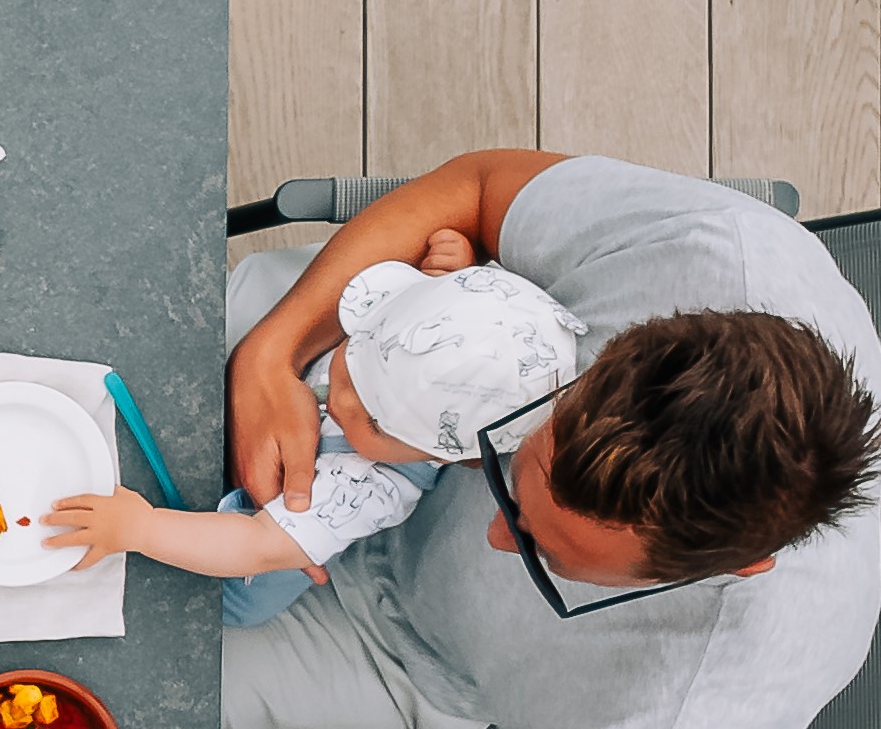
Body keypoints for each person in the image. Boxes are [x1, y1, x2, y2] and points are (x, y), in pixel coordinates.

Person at [17, 152, 881, 729]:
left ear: (727, 573)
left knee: (84, 697)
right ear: (612, 350)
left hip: (394, 649)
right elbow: (475, 189)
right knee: (79, 349)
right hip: (363, 371)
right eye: (516, 481)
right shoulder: (715, 252)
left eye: (553, 561)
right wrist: (274, 352)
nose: (495, 536)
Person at [41, 232, 586, 628]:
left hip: (249, 560)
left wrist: (140, 528)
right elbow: (440, 298)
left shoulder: (374, 486)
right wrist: (452, 263)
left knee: (224, 595)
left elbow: (253, 546)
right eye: (357, 352)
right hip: (257, 463)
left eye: (373, 417)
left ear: (446, 457)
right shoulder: (428, 328)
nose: (339, 395)